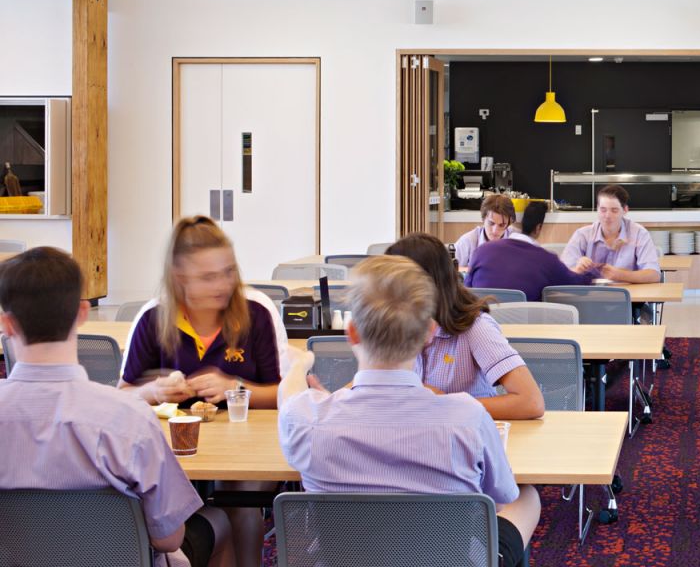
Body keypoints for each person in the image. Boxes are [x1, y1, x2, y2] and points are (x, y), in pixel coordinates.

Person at [278, 255, 541, 567]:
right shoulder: (467, 417)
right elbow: (498, 498)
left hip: (345, 558)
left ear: (351, 332)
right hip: (448, 558)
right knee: (527, 497)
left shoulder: (308, 418)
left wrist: (299, 366)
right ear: (429, 332)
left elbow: (290, 397)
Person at [0, 247, 232, 567]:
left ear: (6, 324)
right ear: (82, 313)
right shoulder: (126, 417)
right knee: (217, 523)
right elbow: (169, 537)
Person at [118, 216, 282, 567]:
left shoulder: (254, 315)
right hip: (176, 451)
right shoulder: (154, 319)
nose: (223, 284)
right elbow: (123, 395)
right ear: (180, 279)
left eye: (228, 272)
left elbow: (281, 394)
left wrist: (236, 388)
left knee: (239, 497)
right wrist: (155, 391)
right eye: (208, 277)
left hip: (246, 447)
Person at [387, 233, 545, 420]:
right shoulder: (398, 325)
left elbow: (530, 402)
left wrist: (443, 404)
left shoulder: (475, 327)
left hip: (467, 437)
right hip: (419, 436)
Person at [466, 200, 597, 302]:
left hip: (484, 329)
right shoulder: (546, 260)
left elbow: (467, 291)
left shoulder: (481, 252)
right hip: (525, 331)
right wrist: (592, 269)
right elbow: (579, 287)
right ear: (539, 227)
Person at [561, 185, 661, 284]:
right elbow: (561, 275)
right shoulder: (582, 235)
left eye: (614, 210)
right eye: (603, 210)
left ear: (625, 210)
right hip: (589, 296)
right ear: (597, 209)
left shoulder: (639, 234)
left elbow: (654, 275)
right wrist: (577, 270)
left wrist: (620, 275)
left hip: (629, 297)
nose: (607, 216)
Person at [452, 194, 517, 269]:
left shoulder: (517, 239)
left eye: (502, 225)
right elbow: (449, 269)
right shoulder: (468, 241)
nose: (495, 231)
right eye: (491, 223)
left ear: (508, 224)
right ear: (483, 219)